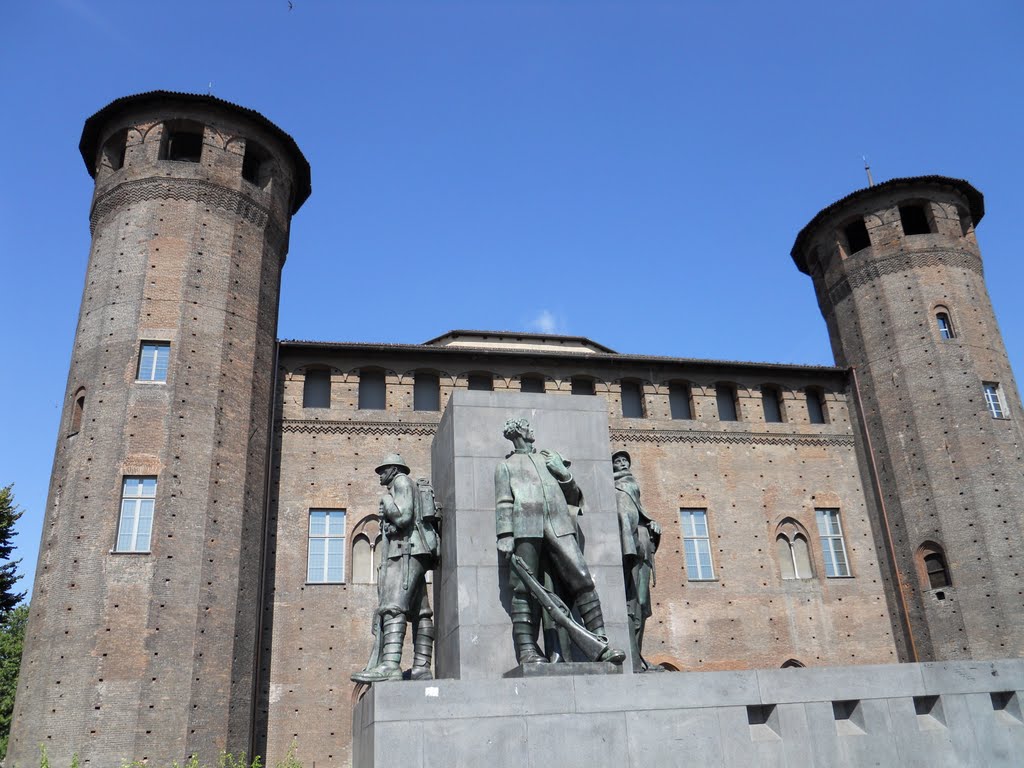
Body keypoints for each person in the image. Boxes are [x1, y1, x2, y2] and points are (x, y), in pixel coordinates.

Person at [495, 417, 624, 665]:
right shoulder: (506, 466)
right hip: (525, 527)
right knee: (524, 589)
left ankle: (600, 641)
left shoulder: (549, 457)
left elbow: (573, 495)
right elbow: (504, 501)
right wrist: (505, 534)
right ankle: (528, 651)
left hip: (560, 524)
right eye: (527, 426)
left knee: (582, 579)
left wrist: (565, 474)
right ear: (519, 432)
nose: (532, 429)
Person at [352, 453, 437, 683]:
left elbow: (403, 517)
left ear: (393, 469)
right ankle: (421, 666)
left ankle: (390, 664)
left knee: (392, 607)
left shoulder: (400, 483)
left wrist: (386, 502)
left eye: (383, 469)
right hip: (415, 551)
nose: (380, 474)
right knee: (422, 611)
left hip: (405, 551)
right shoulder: (406, 485)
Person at [612, 450, 661, 670]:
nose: (622, 463)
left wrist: (652, 525)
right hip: (628, 546)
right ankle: (634, 660)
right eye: (617, 461)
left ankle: (638, 656)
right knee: (631, 604)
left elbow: (637, 511)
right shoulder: (611, 485)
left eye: (624, 460)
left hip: (642, 544)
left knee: (642, 604)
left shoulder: (631, 484)